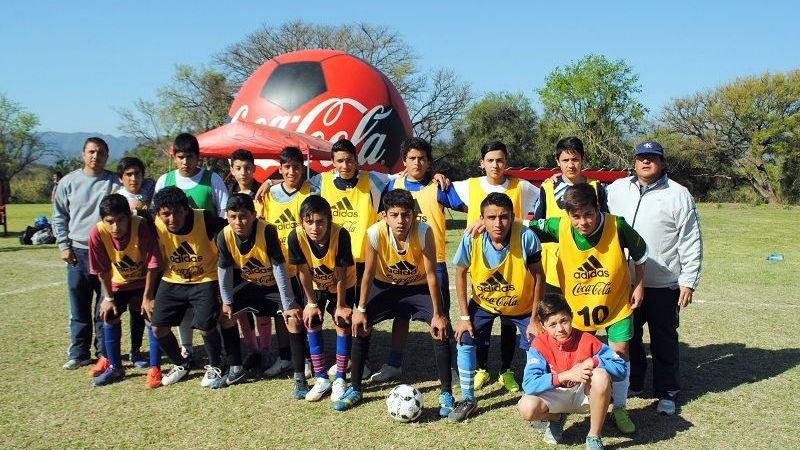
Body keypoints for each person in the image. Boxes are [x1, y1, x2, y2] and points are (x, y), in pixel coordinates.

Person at [528, 183, 647, 434]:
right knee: (575, 357)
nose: (583, 222)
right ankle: (568, 408)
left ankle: (620, 407)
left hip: (615, 303)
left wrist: (639, 285)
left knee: (620, 354)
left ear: (598, 207)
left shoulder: (617, 225)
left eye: (588, 214)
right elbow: (526, 226)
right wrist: (487, 223)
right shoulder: (559, 226)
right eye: (576, 216)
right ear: (568, 214)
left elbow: (641, 253)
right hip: (577, 309)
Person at [331, 189, 453, 417]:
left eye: (406, 215)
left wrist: (438, 314)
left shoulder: (424, 232)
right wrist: (360, 309)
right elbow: (367, 274)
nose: (401, 220)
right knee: (361, 325)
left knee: (440, 329)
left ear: (413, 215)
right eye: (394, 215)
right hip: (385, 286)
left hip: (417, 287)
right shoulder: (374, 233)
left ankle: (446, 393)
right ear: (384, 216)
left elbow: (431, 275)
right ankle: (355, 389)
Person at [606, 141, 703, 416]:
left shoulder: (678, 194)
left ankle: (667, 392)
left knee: (664, 340)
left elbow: (690, 240)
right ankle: (635, 382)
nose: (646, 162)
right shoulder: (616, 189)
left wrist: (688, 281)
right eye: (641, 157)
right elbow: (586, 199)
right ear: (634, 162)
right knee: (630, 337)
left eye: (652, 157)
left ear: (662, 162)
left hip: (663, 283)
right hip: (624, 282)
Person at [371, 137, 463, 383]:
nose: (417, 162)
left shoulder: (439, 186)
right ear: (404, 161)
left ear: (429, 161)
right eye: (412, 158)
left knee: (440, 316)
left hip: (434, 263)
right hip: (401, 261)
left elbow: (466, 207)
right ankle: (394, 364)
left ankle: (450, 369)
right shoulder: (393, 184)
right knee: (401, 315)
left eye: (422, 158)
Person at [452, 140, 541, 393]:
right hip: (485, 286)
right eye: (490, 160)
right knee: (471, 332)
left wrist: (555, 180)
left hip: (518, 291)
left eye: (500, 160)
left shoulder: (520, 187)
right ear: (482, 163)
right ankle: (474, 383)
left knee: (519, 330)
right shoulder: (470, 186)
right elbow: (441, 190)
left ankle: (509, 373)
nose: (495, 165)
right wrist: (437, 177)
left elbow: (544, 196)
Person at [449, 192, 544, 422]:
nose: (498, 223)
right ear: (482, 218)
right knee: (464, 337)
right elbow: (460, 273)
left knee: (539, 342)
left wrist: (535, 319)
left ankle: (537, 399)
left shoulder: (526, 237)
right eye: (491, 217)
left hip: (521, 304)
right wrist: (464, 317)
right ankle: (468, 399)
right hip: (484, 302)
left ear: (512, 217)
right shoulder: (472, 238)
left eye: (503, 217)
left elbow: (539, 276)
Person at [146, 187, 233, 388]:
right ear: (158, 213)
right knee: (158, 327)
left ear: (186, 210)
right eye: (166, 214)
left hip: (205, 278)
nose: (172, 218)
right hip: (173, 278)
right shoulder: (153, 223)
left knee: (205, 325)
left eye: (177, 212)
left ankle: (216, 365)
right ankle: (181, 363)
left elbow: (229, 230)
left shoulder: (205, 218)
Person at [153, 133, 229, 364]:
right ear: (174, 157)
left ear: (198, 157)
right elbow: (157, 219)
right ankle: (186, 349)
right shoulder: (164, 180)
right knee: (181, 313)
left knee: (207, 315)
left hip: (205, 256)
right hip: (176, 260)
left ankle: (219, 352)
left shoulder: (211, 179)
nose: (185, 162)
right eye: (181, 157)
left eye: (190, 157)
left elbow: (224, 215)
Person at [518, 294, 627, 449]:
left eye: (564, 321)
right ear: (543, 325)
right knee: (527, 407)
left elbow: (621, 368)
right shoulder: (539, 345)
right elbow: (529, 384)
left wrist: (595, 361)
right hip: (555, 395)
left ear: (571, 317)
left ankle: (594, 435)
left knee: (601, 375)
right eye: (552, 324)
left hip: (584, 395)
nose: (560, 329)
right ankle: (556, 418)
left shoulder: (587, 339)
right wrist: (565, 376)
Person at [217, 193, 300, 389]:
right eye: (233, 217)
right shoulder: (224, 235)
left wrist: (288, 303)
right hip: (249, 283)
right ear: (227, 217)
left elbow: (279, 267)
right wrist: (227, 301)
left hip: (275, 281)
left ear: (254, 215)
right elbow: (224, 270)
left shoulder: (267, 230)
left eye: (243, 216)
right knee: (226, 315)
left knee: (289, 315)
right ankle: (235, 367)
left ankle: (288, 360)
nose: (238, 222)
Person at [52, 137, 121, 371]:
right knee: (79, 306)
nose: (95, 156)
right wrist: (64, 245)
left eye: (101, 153)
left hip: (106, 252)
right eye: (91, 152)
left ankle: (104, 353)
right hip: (78, 252)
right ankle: (79, 353)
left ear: (107, 156)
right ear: (83, 154)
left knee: (105, 304)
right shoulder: (68, 182)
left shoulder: (114, 182)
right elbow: (59, 216)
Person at [288, 195, 356, 402]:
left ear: (329, 220)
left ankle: (340, 378)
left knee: (342, 322)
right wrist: (310, 303)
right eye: (309, 222)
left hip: (341, 283)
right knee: (311, 321)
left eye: (320, 222)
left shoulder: (341, 234)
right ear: (302, 221)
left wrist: (341, 305)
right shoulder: (296, 236)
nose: (315, 228)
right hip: (314, 284)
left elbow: (341, 272)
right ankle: (321, 378)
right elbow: (302, 270)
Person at [87, 194, 161, 387]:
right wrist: (108, 298)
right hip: (118, 283)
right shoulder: (97, 233)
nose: (116, 227)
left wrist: (148, 297)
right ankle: (115, 367)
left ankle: (155, 368)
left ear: (129, 216)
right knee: (108, 315)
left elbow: (153, 264)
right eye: (110, 222)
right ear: (102, 220)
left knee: (152, 316)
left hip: (144, 281)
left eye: (120, 220)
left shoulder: (141, 226)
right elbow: (102, 270)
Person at [258, 147, 312, 378]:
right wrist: (269, 183)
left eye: (296, 167)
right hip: (278, 266)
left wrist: (270, 180)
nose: (292, 172)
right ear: (280, 168)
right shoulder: (268, 194)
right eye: (287, 167)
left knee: (305, 312)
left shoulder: (312, 190)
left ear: (302, 168)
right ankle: (285, 357)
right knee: (282, 313)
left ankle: (306, 358)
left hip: (303, 265)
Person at [535, 137, 607, 294]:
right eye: (565, 160)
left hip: (587, 270)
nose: (570, 165)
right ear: (557, 161)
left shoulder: (596, 187)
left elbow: (605, 225)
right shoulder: (547, 187)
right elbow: (537, 226)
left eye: (575, 159)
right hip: (554, 270)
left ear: (582, 159)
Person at [225, 149, 273, 373]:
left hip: (261, 257)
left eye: (247, 168)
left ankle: (265, 350)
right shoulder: (227, 192)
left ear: (254, 169)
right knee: (241, 308)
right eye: (238, 168)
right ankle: (253, 350)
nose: (243, 172)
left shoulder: (263, 190)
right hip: (236, 259)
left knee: (262, 307)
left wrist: (271, 181)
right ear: (232, 170)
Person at [113, 156, 156, 369]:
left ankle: (136, 351)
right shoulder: (116, 199)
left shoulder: (149, 192)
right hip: (122, 265)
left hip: (145, 262)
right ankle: (107, 355)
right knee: (110, 312)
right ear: (120, 178)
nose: (133, 178)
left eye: (137, 174)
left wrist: (141, 208)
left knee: (139, 310)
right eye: (128, 174)